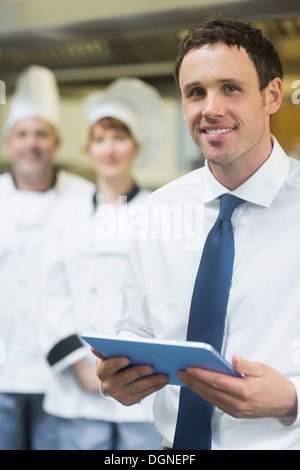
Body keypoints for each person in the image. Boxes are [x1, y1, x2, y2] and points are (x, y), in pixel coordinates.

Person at [95, 17, 300, 450]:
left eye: (230, 88)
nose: (210, 108)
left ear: (272, 95)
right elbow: (138, 325)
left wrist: (292, 399)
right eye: (196, 93)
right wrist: (120, 374)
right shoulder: (160, 209)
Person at [41, 78, 166, 450]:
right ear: (88, 148)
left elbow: (167, 298)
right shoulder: (63, 213)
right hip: (77, 391)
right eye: (99, 139)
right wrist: (81, 367)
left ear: (136, 147)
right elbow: (49, 295)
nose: (109, 149)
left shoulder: (160, 213)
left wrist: (139, 371)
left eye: (119, 137)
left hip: (142, 389)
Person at [0, 65, 94, 450]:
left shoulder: (85, 198)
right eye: (23, 134)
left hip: (62, 378)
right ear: (9, 142)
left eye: (42, 134)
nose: (32, 143)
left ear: (57, 142)